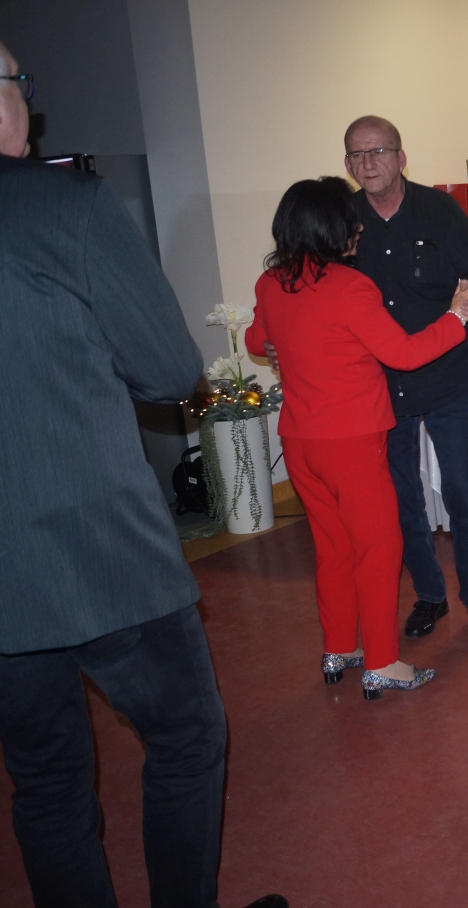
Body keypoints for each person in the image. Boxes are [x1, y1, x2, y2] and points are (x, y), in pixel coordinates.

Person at [0, 40, 285, 908]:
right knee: (187, 734)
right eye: (19, 82)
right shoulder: (66, 204)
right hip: (96, 546)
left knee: (45, 780)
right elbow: (167, 371)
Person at [246, 177, 468, 699]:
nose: (358, 229)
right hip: (350, 441)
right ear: (333, 228)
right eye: (351, 222)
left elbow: (256, 339)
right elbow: (404, 354)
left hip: (300, 441)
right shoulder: (350, 287)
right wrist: (456, 316)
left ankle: (338, 648)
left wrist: (283, 344)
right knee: (378, 549)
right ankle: (382, 662)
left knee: (332, 549)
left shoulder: (271, 283)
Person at [345, 116, 468, 647]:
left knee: (462, 489)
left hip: (445, 375)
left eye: (378, 151)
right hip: (379, 382)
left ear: (400, 157)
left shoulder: (439, 210)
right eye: (357, 154)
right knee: (399, 498)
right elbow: (322, 290)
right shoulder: (343, 221)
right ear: (347, 164)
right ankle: (430, 595)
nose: (368, 163)